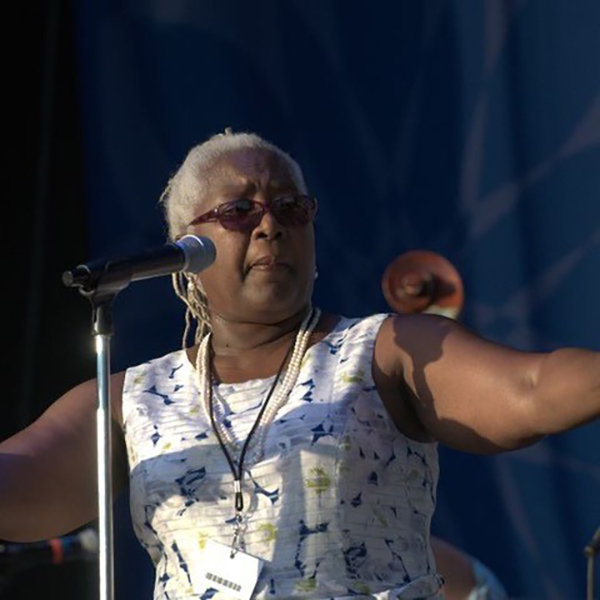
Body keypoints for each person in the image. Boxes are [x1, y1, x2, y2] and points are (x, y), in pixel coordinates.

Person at [0, 130, 598, 599]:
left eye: (291, 208)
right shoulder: (135, 398)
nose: (269, 225)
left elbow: (533, 387)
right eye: (239, 210)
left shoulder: (385, 352)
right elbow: (19, 486)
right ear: (186, 246)